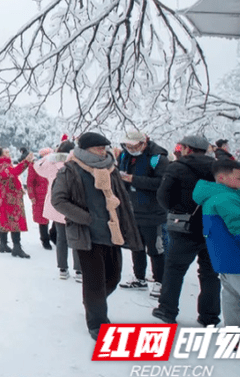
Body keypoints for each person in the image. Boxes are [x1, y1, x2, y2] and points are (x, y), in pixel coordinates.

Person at [51, 131, 143, 340]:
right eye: (99, 148)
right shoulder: (71, 170)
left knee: (113, 277)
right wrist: (86, 217)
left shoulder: (111, 168)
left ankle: (92, 303)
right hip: (87, 235)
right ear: (85, 150)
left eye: (105, 148)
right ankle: (97, 323)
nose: (103, 152)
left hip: (112, 233)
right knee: (94, 282)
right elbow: (58, 200)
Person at [193, 158, 240, 365]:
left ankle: (234, 337)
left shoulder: (217, 196)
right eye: (238, 177)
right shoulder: (227, 199)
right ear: (222, 177)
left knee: (233, 296)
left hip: (225, 259)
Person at [152, 135, 220, 326]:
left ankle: (167, 310)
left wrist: (178, 208)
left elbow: (163, 197)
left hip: (184, 226)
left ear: (188, 149)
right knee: (210, 273)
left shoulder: (177, 167)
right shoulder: (219, 168)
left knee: (174, 270)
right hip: (213, 226)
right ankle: (210, 316)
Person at [116, 130, 170, 299]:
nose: (130, 148)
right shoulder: (124, 156)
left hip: (153, 211)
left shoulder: (158, 158)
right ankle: (139, 278)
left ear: (143, 143)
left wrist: (133, 179)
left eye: (133, 146)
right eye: (127, 145)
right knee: (136, 246)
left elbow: (162, 183)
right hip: (132, 210)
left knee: (155, 249)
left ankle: (160, 282)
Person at [38, 140, 80, 279]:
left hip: (57, 204)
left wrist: (50, 156)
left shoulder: (51, 164)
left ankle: (63, 269)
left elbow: (37, 166)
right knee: (76, 238)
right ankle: (79, 271)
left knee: (61, 239)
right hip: (74, 204)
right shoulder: (76, 163)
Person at [0, 146, 34, 257]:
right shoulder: (2, 165)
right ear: (0, 155)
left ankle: (3, 244)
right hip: (9, 198)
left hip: (3, 197)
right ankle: (16, 247)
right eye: (6, 152)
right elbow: (14, 172)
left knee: (4, 219)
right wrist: (26, 162)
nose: (8, 154)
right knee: (14, 220)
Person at [26, 148, 52, 250]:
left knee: (56, 217)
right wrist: (31, 196)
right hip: (39, 195)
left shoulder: (53, 166)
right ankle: (45, 239)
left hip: (51, 194)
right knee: (43, 219)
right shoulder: (34, 166)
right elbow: (30, 182)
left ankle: (53, 236)